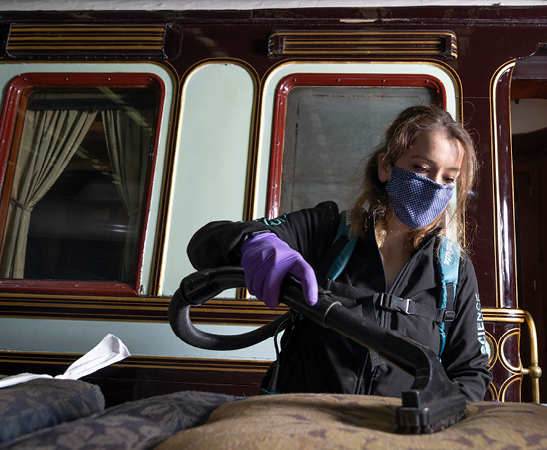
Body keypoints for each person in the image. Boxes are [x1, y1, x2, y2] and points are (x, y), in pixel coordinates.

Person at [187, 105, 492, 401]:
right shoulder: (328, 230)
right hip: (304, 426)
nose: (434, 186)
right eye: (421, 168)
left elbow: (471, 372)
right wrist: (256, 243)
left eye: (448, 178)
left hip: (396, 433)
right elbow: (204, 243)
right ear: (385, 166)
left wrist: (434, 423)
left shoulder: (454, 269)